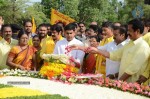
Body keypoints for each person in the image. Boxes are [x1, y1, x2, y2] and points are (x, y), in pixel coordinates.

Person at [70, 19, 150, 83]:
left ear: (138, 31)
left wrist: (118, 81)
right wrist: (97, 51)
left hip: (133, 84)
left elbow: (132, 69)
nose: (127, 33)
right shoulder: (129, 44)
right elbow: (114, 55)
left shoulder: (143, 47)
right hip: (122, 82)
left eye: (129, 30)